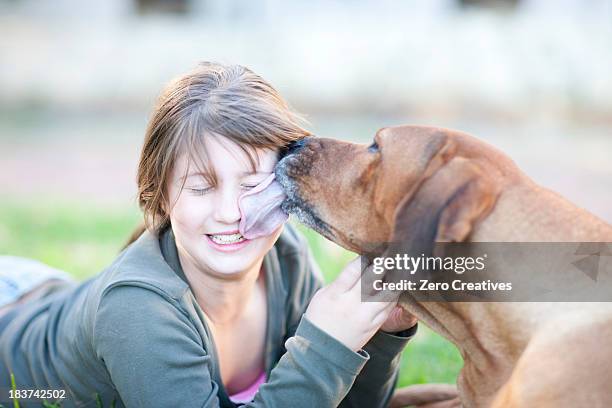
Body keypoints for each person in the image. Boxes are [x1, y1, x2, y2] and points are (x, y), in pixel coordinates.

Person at [0, 62, 418, 408]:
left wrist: (378, 333)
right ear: (160, 196)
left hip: (48, 292)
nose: (231, 213)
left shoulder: (285, 255)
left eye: (254, 184)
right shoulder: (137, 312)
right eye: (201, 187)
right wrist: (325, 341)